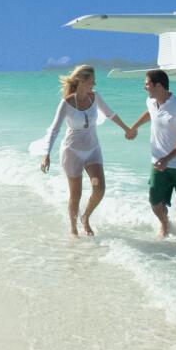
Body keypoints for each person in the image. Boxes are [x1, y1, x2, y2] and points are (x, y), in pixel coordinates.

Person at [40, 64, 136, 237]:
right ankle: (73, 229)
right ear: (82, 81)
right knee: (75, 194)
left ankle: (85, 217)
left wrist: (126, 129)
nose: (94, 84)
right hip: (72, 152)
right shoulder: (66, 103)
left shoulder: (95, 97)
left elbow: (110, 114)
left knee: (99, 188)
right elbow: (54, 130)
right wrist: (46, 155)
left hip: (92, 150)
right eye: (91, 81)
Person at [129, 70, 176, 238]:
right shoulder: (151, 102)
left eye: (147, 84)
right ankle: (165, 224)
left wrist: (168, 158)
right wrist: (134, 127)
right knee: (154, 201)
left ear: (158, 85)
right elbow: (150, 114)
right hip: (158, 163)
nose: (145, 87)